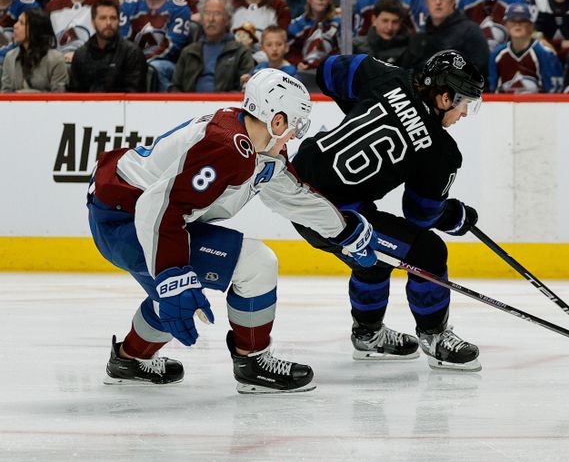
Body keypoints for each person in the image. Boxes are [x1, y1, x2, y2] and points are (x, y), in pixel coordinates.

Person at [88, 67, 379, 392]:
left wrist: (344, 231)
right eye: (296, 124)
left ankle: (129, 360)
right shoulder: (227, 147)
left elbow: (294, 196)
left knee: (175, 299)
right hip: (127, 221)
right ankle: (253, 361)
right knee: (255, 266)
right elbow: (158, 207)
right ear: (277, 120)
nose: (296, 134)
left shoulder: (261, 148)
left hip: (119, 212)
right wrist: (172, 274)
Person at [291, 50, 484, 372]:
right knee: (428, 253)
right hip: (336, 215)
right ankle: (435, 337)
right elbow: (420, 215)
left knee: (376, 256)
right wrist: (454, 216)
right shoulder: (441, 151)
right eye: (465, 103)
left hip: (297, 185)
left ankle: (368, 334)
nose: (464, 113)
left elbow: (329, 70)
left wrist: (361, 109)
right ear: (444, 96)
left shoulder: (388, 76)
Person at [119, 0, 191, 92]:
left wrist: (141, 64)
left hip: (168, 63)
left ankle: (166, 108)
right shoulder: (128, 5)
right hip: (133, 62)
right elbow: (122, 41)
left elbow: (173, 46)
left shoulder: (179, 6)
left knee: (156, 68)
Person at [402, 0, 489, 78]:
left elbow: (478, 72)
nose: (438, 2)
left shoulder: (470, 32)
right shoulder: (419, 37)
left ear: (452, 1)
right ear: (426, 2)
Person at [170, 0, 254, 92]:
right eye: (207, 13)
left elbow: (245, 89)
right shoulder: (189, 52)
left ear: (227, 19)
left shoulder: (240, 52)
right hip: (189, 104)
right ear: (201, 19)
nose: (211, 19)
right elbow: (175, 87)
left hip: (225, 105)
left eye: (217, 13)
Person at [69, 0, 147, 92]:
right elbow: (74, 95)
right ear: (93, 22)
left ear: (119, 21)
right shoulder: (81, 54)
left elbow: (134, 95)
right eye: (103, 18)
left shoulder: (131, 53)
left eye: (113, 18)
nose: (108, 23)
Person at [488, 2, 563, 93]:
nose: (517, 25)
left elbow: (553, 91)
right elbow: (492, 89)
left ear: (531, 25)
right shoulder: (497, 54)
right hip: (504, 105)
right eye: (512, 20)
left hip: (539, 105)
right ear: (506, 24)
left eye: (523, 21)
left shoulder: (545, 53)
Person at [1, 8, 67, 91]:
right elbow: (5, 93)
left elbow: (60, 97)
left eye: (21, 23)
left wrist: (29, 96)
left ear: (35, 29)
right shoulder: (10, 57)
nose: (15, 26)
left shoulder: (56, 59)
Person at [286, 0, 340, 71]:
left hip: (330, 70)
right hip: (303, 72)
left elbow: (341, 50)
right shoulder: (297, 25)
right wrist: (298, 62)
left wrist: (320, 64)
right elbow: (290, 51)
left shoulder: (338, 23)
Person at [353, 0, 410, 65]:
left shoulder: (411, 50)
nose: (390, 27)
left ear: (401, 22)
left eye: (395, 22)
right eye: (385, 21)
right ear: (374, 20)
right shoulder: (356, 48)